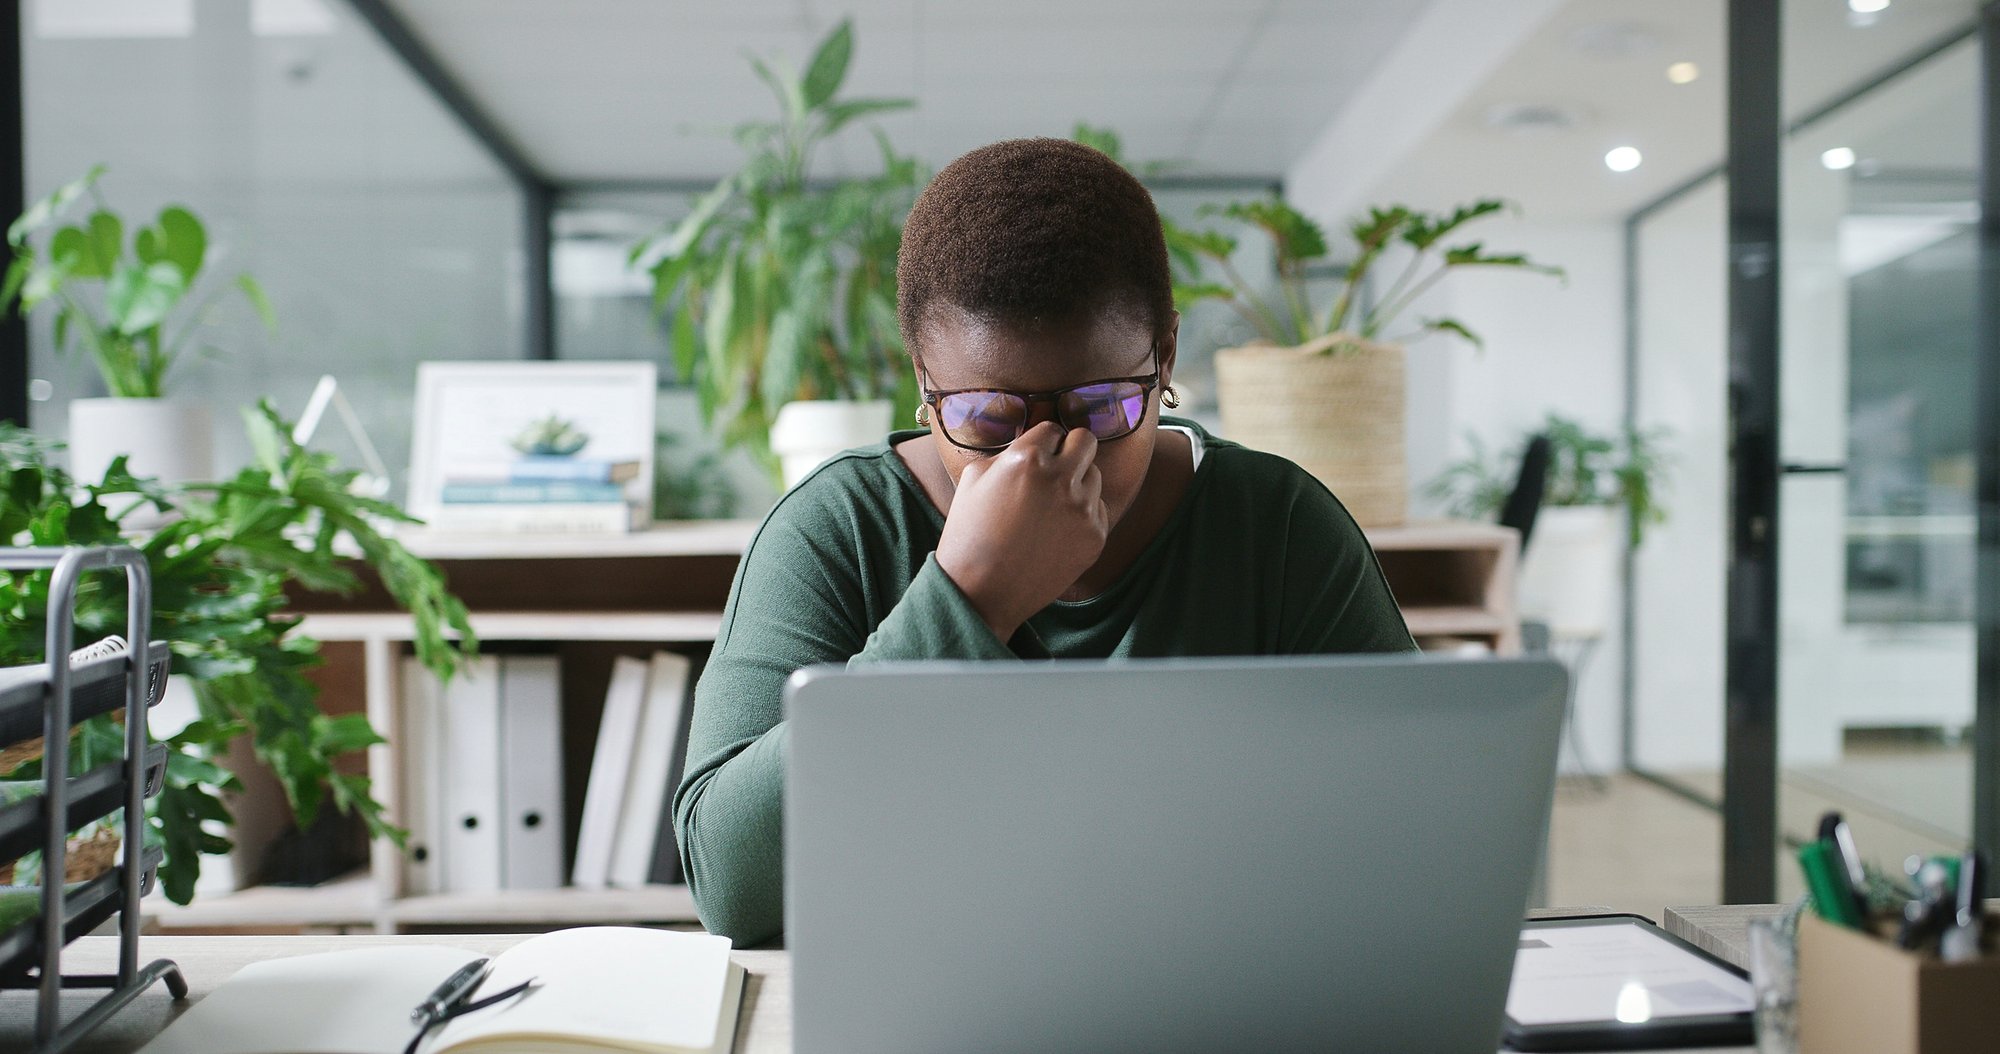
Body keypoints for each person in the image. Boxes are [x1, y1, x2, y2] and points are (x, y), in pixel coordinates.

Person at [672, 138, 1415, 945]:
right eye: (988, 418)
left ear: (1164, 355)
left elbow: (1420, 827)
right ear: (924, 379)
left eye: (1101, 407)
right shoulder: (840, 528)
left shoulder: (1277, 526)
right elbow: (734, 890)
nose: (1048, 460)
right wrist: (968, 597)